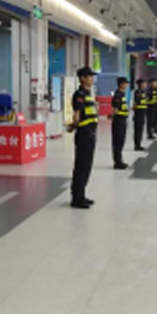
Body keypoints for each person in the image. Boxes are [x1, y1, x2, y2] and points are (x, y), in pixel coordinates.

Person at [69, 66, 99, 209]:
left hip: (90, 133)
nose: (92, 79)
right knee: (81, 166)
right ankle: (77, 197)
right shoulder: (79, 94)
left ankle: (81, 194)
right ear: (82, 78)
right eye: (90, 77)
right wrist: (74, 125)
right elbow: (77, 115)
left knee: (87, 165)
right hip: (84, 134)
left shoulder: (88, 94)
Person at [111, 76, 130, 169]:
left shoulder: (122, 94)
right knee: (118, 142)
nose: (127, 85)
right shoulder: (118, 95)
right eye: (125, 83)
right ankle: (117, 162)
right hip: (118, 120)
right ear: (121, 84)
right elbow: (115, 108)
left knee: (121, 141)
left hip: (123, 119)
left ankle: (119, 160)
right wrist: (112, 116)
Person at [133, 78, 148, 151]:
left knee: (141, 129)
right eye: (144, 83)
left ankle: (139, 143)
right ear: (141, 84)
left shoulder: (143, 91)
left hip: (142, 112)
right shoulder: (138, 92)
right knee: (138, 129)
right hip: (138, 112)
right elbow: (135, 103)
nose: (145, 84)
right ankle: (137, 145)